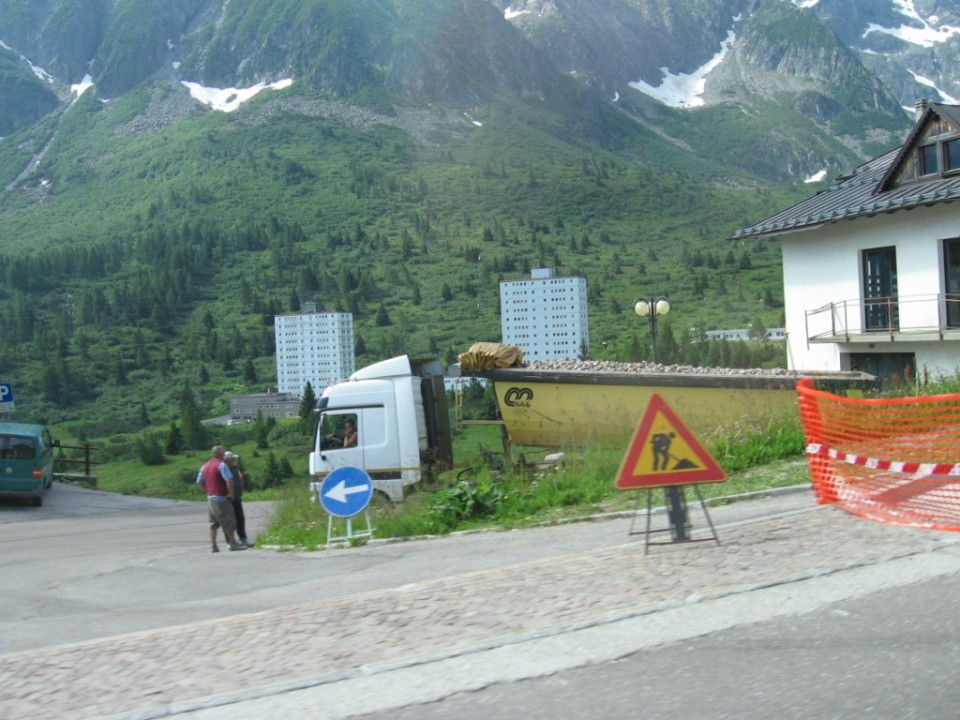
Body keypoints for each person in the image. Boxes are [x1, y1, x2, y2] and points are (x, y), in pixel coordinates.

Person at [196, 445, 246, 552]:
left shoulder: (205, 466)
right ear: (219, 453)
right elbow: (229, 480)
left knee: (213, 523)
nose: (224, 454)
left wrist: (208, 491)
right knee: (229, 521)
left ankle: (213, 545)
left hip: (211, 499)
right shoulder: (221, 465)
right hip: (221, 497)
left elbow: (199, 482)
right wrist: (231, 494)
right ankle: (233, 543)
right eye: (222, 452)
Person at [223, 451, 252, 548]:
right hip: (227, 498)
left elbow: (240, 478)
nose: (235, 460)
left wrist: (241, 485)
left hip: (237, 497)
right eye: (233, 459)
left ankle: (243, 539)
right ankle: (230, 541)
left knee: (240, 518)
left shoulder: (235, 468)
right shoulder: (223, 468)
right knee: (228, 520)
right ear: (228, 460)